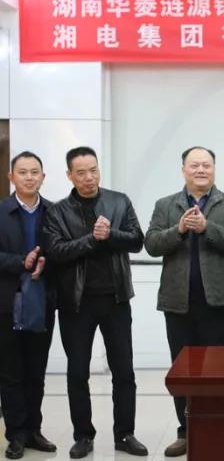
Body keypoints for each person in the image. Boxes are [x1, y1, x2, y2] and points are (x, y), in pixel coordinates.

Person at [43, 147, 147, 459]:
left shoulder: (119, 201)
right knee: (78, 372)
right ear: (69, 175)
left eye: (94, 170)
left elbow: (137, 240)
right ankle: (83, 436)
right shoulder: (58, 212)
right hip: (76, 303)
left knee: (124, 370)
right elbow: (56, 252)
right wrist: (92, 239)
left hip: (116, 299)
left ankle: (125, 434)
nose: (89, 177)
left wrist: (110, 234)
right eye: (82, 172)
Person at [144, 146, 224, 457]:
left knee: (216, 371)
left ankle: (215, 429)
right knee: (183, 370)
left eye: (206, 165)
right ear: (183, 170)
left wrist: (207, 228)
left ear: (214, 169)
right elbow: (151, 244)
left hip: (216, 301)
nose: (201, 170)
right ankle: (186, 431)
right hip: (177, 302)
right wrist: (178, 230)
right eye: (194, 165)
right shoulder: (166, 205)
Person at [0, 152, 55, 459]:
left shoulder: (54, 212)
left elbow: (63, 250)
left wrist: (47, 262)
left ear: (43, 177)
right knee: (11, 373)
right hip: (7, 303)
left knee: (36, 371)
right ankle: (16, 434)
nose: (29, 177)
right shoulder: (1, 211)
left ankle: (34, 430)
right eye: (23, 172)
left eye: (35, 172)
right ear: (12, 177)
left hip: (42, 301)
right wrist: (21, 262)